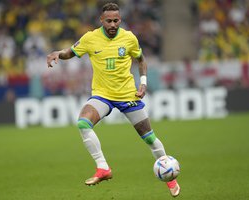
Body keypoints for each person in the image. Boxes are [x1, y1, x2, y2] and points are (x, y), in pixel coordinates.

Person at [46, 2, 180, 197]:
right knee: (83, 123)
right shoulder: (90, 38)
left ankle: (170, 177)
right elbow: (71, 53)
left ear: (120, 20)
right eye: (108, 21)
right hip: (102, 95)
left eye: (116, 20)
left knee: (150, 138)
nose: (112, 24)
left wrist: (143, 82)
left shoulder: (129, 38)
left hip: (128, 95)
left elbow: (141, 60)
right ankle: (103, 168)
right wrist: (58, 53)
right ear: (101, 20)